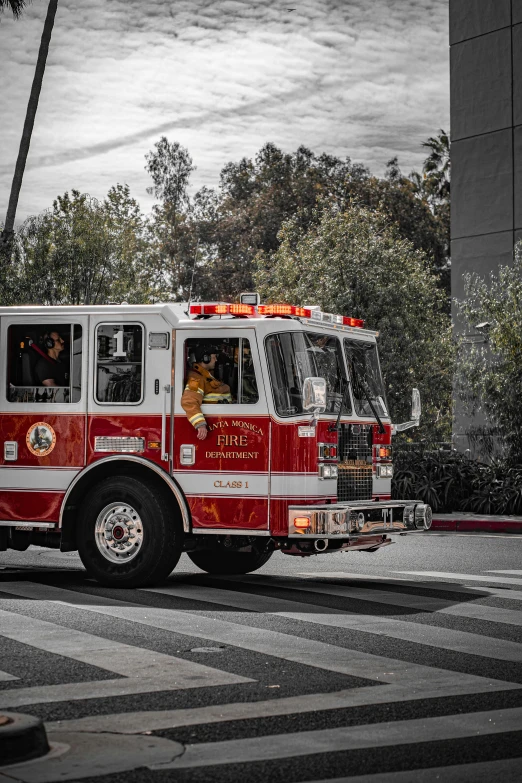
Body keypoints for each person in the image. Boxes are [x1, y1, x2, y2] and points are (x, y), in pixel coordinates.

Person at [181, 343, 232, 440]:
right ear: (205, 358)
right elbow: (189, 401)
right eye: (214, 357)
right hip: (214, 423)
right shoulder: (196, 379)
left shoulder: (206, 376)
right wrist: (200, 424)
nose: (216, 360)